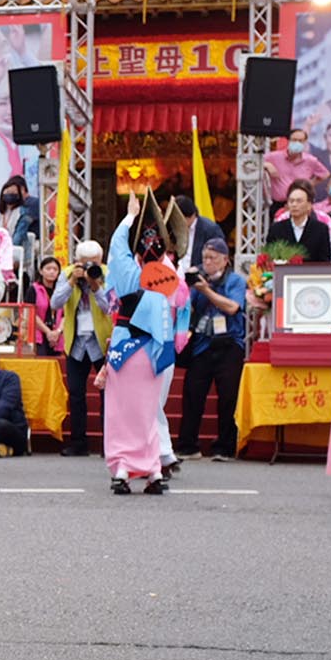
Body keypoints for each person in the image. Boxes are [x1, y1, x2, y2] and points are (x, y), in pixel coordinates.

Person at [99, 196, 182, 495]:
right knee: (149, 410)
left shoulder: (125, 270)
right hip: (153, 348)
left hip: (124, 346)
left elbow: (116, 245)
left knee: (121, 410)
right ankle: (153, 471)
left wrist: (130, 218)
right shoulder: (167, 275)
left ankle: (122, 468)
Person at [174, 238, 247, 462]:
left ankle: (224, 446)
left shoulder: (235, 280)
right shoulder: (199, 281)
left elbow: (232, 307)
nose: (208, 262)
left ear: (225, 260)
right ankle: (188, 445)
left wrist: (206, 290)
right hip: (203, 343)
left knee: (228, 397)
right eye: (205, 258)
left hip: (229, 343)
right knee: (192, 393)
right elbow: (187, 308)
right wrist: (187, 285)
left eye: (213, 258)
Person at [49, 240, 111, 456]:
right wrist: (72, 281)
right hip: (76, 343)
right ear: (77, 262)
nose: (89, 268)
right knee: (76, 394)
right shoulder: (68, 274)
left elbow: (109, 307)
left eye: (93, 263)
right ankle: (78, 442)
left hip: (101, 342)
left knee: (108, 395)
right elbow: (55, 303)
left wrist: (96, 286)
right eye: (85, 264)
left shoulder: (107, 274)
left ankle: (109, 444)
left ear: (100, 261)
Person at [262, 128, 330, 210]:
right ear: (288, 141)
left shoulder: (310, 160)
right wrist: (267, 165)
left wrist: (309, 184)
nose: (297, 143)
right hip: (279, 204)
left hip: (300, 203)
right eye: (294, 140)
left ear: (305, 142)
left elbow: (325, 174)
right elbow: (252, 162)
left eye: (301, 141)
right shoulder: (274, 157)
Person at [267, 182, 331, 263]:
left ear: (309, 205)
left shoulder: (321, 229)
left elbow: (325, 261)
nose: (294, 205)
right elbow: (269, 258)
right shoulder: (276, 229)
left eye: (299, 201)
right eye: (291, 201)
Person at [172, 195, 224, 271]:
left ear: (190, 216)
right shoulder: (174, 229)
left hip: (198, 276)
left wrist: (198, 268)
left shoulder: (210, 229)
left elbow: (219, 258)